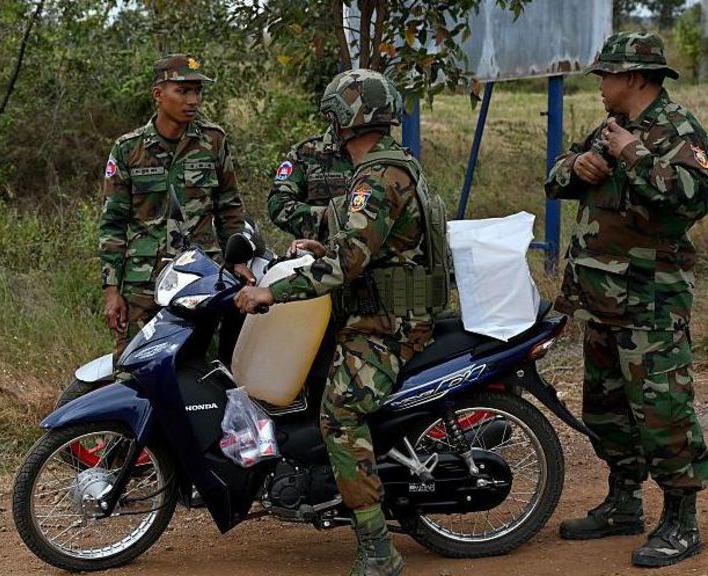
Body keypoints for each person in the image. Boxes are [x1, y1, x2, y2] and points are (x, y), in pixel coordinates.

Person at [236, 69, 449, 576]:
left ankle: (378, 549)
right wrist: (322, 245)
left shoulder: (377, 176)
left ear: (344, 121)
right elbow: (365, 245)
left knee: (340, 415)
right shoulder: (388, 167)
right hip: (381, 311)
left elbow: (347, 264)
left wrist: (272, 292)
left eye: (333, 117)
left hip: (388, 323)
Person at [546, 32, 708, 568]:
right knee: (608, 412)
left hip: (650, 306)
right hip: (602, 300)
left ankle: (683, 522)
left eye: (607, 76)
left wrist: (632, 155)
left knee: (663, 415)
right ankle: (622, 503)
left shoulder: (676, 130)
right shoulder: (611, 128)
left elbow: (691, 197)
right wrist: (577, 168)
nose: (600, 85)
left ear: (634, 77)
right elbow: (557, 175)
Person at [98, 53, 251, 360]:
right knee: (134, 365)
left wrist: (238, 261)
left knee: (206, 365)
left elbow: (229, 207)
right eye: (183, 91)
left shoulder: (213, 141)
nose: (192, 100)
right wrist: (112, 290)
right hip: (144, 283)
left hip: (201, 277)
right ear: (158, 94)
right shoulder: (129, 149)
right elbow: (112, 222)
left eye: (197, 91)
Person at [267, 123, 355, 242]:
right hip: (320, 254)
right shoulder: (307, 153)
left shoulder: (382, 152)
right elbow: (278, 204)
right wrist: (327, 215)